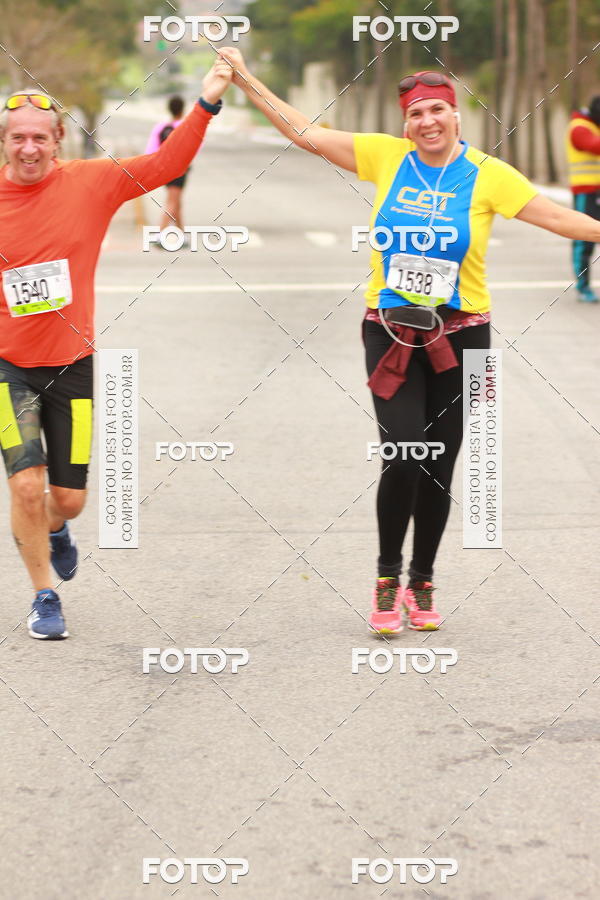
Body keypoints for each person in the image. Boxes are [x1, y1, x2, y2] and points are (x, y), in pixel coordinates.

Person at [218, 51, 600, 634]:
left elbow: (555, 217)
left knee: (441, 465)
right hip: (392, 331)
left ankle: (423, 582)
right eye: (417, 112)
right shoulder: (385, 157)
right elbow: (305, 132)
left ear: (457, 116)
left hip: (464, 337)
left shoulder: (488, 175)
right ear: (405, 123)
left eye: (439, 109)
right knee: (403, 453)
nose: (428, 121)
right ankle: (386, 577)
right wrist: (245, 77)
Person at [0, 58, 232, 640]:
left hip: (72, 365)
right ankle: (43, 595)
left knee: (69, 499)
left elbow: (167, 163)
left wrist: (207, 100)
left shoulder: (91, 182)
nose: (29, 148)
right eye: (17, 138)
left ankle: (56, 529)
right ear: (4, 142)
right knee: (26, 483)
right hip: (7, 368)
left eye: (39, 138)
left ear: (58, 142)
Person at [566, 94, 600, 302]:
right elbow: (595, 145)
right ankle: (583, 285)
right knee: (584, 238)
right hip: (585, 192)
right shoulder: (579, 127)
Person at [145, 95, 191, 232]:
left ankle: (181, 233)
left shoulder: (161, 127)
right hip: (181, 168)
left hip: (164, 168)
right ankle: (161, 233)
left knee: (176, 201)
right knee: (172, 201)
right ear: (182, 109)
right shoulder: (186, 127)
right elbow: (193, 147)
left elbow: (151, 150)